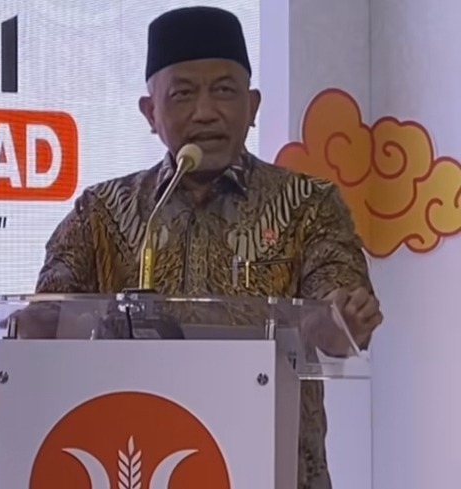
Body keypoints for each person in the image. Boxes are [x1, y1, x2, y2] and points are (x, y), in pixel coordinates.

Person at [27, 7, 383, 489]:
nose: (205, 111)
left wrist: (337, 321)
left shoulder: (307, 204)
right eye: (182, 94)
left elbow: (336, 309)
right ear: (150, 112)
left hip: (274, 470)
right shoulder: (102, 212)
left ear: (253, 106)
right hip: (137, 464)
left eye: (224, 90)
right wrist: (37, 324)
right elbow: (49, 314)